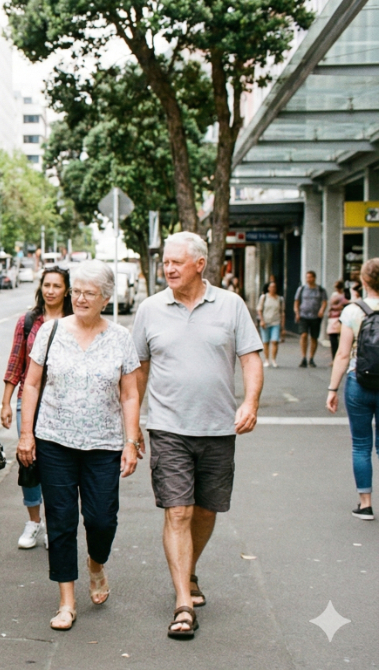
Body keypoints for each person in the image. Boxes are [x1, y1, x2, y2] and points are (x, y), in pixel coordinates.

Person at [133, 232, 263, 639]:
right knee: (179, 511)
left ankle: (188, 571)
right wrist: (132, 422)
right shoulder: (151, 309)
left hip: (219, 427)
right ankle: (182, 603)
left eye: (176, 262)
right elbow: (137, 368)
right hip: (168, 428)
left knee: (207, 510)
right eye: (165, 262)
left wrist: (251, 402)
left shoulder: (231, 305)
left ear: (200, 264)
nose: (168, 268)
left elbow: (251, 358)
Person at [17, 260, 141, 632]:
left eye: (90, 293)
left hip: (104, 444)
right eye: (77, 292)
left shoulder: (120, 337)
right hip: (55, 440)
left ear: (105, 297)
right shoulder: (51, 331)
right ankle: (67, 602)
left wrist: (131, 441)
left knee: (102, 519)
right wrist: (27, 434)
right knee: (61, 520)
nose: (81, 298)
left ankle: (96, 563)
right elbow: (33, 384)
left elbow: (131, 393)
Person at [2, 266, 74, 549]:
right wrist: (6, 402)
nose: (51, 290)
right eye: (47, 285)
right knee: (29, 462)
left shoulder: (75, 321)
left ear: (66, 290)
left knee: (60, 466)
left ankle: (55, 523)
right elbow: (14, 362)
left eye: (57, 286)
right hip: (28, 402)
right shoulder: (28, 322)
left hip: (64, 404)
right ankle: (33, 521)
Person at [326, 258, 379, 521]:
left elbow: (343, 354)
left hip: (359, 382)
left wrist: (333, 388)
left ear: (364, 281)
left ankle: (366, 504)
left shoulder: (353, 311)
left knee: (361, 445)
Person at [295, 271, 328, 368]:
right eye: (307, 277)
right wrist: (297, 312)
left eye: (310, 277)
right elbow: (296, 301)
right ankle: (304, 357)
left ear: (314, 278)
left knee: (314, 337)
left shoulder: (320, 290)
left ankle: (311, 358)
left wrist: (322, 310)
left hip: (315, 316)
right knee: (304, 335)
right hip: (303, 315)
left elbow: (324, 301)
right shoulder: (301, 289)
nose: (308, 279)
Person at [256, 281, 284, 368]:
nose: (273, 289)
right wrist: (262, 321)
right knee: (266, 342)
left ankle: (274, 360)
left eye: (274, 287)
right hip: (265, 322)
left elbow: (282, 312)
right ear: (268, 288)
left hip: (276, 322)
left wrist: (283, 326)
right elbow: (259, 310)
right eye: (271, 287)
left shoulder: (280, 299)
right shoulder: (264, 297)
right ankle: (267, 360)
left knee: (275, 341)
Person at [327, 280, 349, 360]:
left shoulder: (344, 295)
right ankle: (335, 358)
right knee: (333, 339)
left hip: (340, 318)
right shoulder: (336, 295)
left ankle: (339, 357)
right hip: (334, 318)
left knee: (341, 339)